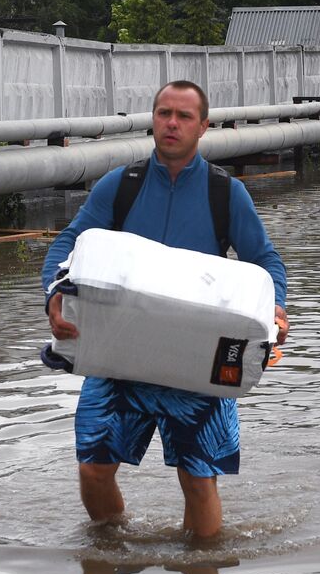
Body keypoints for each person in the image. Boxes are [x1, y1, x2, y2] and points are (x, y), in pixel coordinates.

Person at [42, 81, 290, 539]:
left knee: (198, 479)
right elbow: (67, 244)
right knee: (94, 470)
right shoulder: (121, 186)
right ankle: (110, 552)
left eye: (184, 116)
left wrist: (275, 308)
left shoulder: (225, 193)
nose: (171, 123)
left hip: (198, 353)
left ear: (203, 127)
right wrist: (54, 294)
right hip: (122, 351)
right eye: (163, 113)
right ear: (152, 119)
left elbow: (265, 260)